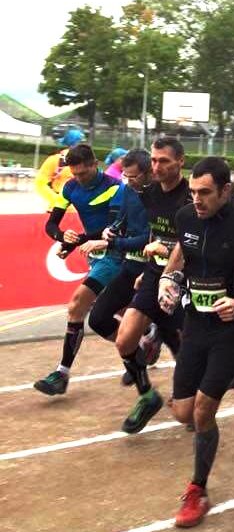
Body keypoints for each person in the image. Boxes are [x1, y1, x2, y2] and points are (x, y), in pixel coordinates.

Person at [160, 156, 234, 528]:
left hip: (232, 326)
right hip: (196, 322)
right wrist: (169, 276)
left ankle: (198, 489)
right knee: (182, 413)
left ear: (225, 191)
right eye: (193, 191)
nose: (197, 199)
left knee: (202, 413)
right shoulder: (185, 218)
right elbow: (183, 249)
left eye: (205, 193)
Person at [114, 137, 191, 433]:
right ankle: (147, 395)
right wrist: (148, 266)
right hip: (153, 274)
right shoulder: (149, 193)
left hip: (187, 279)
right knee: (125, 340)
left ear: (180, 162)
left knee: (190, 348)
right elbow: (154, 231)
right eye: (154, 160)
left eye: (164, 161)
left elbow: (192, 241)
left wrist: (166, 249)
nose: (156, 167)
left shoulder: (191, 196)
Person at [34, 144, 123, 396]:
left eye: (83, 173)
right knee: (123, 311)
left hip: (115, 255)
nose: (79, 179)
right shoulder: (70, 187)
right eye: (75, 174)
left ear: (95, 164)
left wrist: (75, 241)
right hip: (94, 256)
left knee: (76, 306)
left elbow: (114, 227)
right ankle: (142, 342)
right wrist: (63, 236)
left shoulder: (115, 187)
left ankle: (61, 373)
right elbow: (51, 224)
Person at [86, 149, 156, 380]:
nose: (128, 181)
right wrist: (110, 230)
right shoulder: (127, 190)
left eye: (134, 176)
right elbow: (122, 219)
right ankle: (137, 355)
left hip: (155, 271)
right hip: (131, 266)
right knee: (98, 319)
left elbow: (149, 237)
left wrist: (116, 243)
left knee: (179, 335)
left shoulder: (160, 196)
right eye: (125, 176)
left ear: (148, 173)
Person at [35, 128, 85, 211]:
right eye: (81, 142)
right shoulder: (55, 160)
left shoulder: (86, 162)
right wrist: (57, 200)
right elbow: (40, 184)